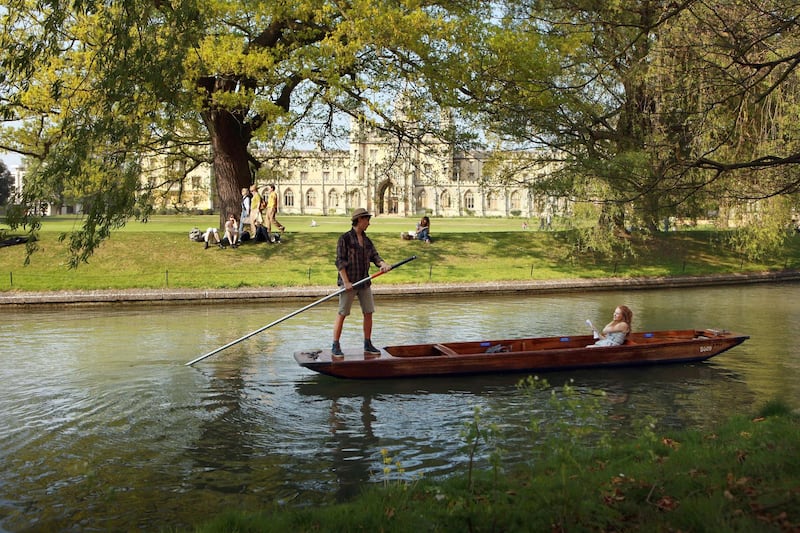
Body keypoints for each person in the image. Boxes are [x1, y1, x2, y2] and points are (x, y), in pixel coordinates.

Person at [331, 208, 391, 359]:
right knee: (342, 313)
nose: (369, 223)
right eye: (367, 220)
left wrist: (383, 264)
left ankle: (367, 343)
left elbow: (375, 256)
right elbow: (340, 262)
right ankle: (335, 345)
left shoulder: (367, 240)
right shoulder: (344, 239)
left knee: (368, 312)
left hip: (364, 282)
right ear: (359, 220)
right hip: (349, 283)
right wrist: (346, 282)